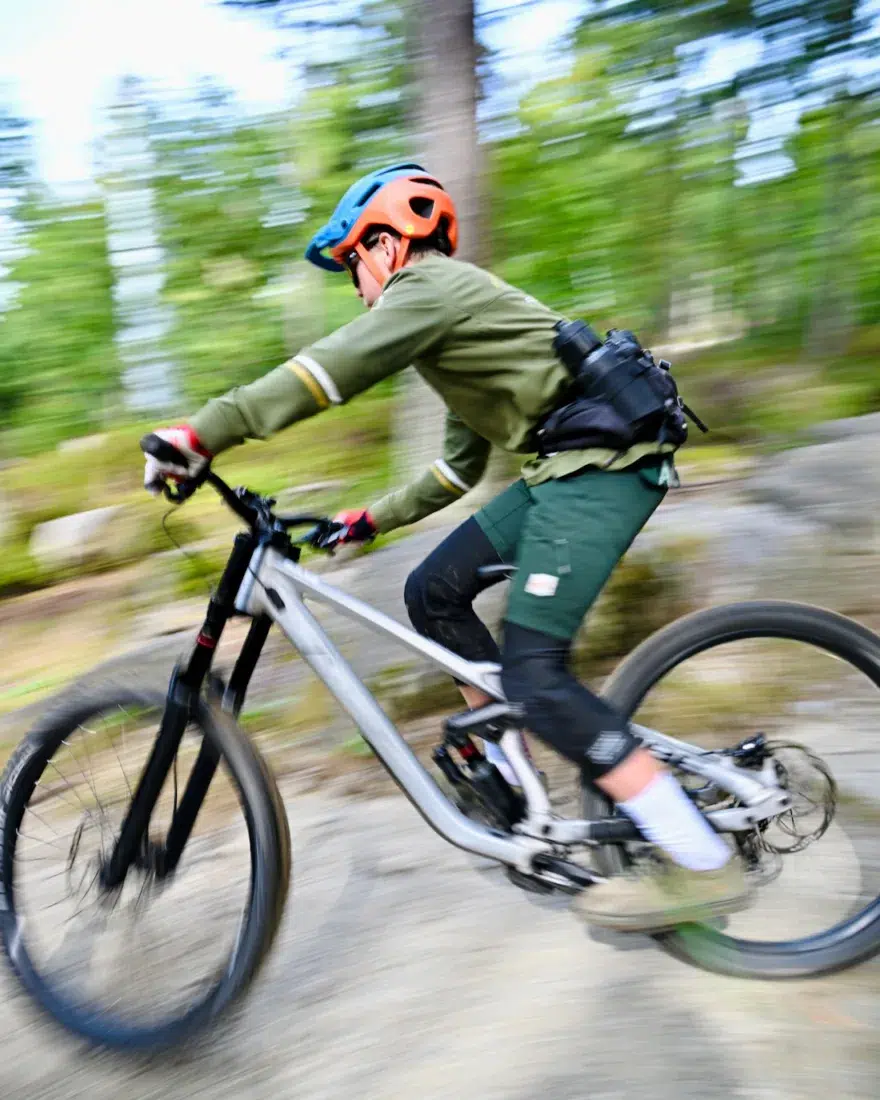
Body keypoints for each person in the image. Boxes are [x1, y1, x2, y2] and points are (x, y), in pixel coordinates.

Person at [142, 162, 749, 931]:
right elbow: (457, 466)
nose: (356, 286)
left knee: (534, 672)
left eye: (353, 262)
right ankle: (511, 772)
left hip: (601, 472)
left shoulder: (428, 292)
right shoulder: (453, 325)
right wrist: (370, 520)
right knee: (434, 589)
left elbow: (324, 375)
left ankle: (703, 865)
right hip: (566, 469)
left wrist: (202, 431)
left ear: (390, 244)